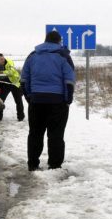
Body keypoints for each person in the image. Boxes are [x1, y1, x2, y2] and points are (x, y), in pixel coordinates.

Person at [20, 31, 75, 171]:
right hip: (57, 102)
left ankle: (33, 163)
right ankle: (55, 165)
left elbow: (24, 79)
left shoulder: (32, 56)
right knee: (56, 134)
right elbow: (69, 80)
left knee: (35, 134)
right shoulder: (63, 56)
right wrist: (67, 100)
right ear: (59, 41)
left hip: (36, 101)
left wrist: (29, 97)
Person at [0, 53, 25, 121]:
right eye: (1, 59)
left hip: (14, 83)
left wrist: (0, 72)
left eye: (3, 58)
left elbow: (11, 72)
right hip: (4, 84)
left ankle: (21, 117)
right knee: (0, 101)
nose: (3, 60)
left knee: (18, 101)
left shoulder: (9, 62)